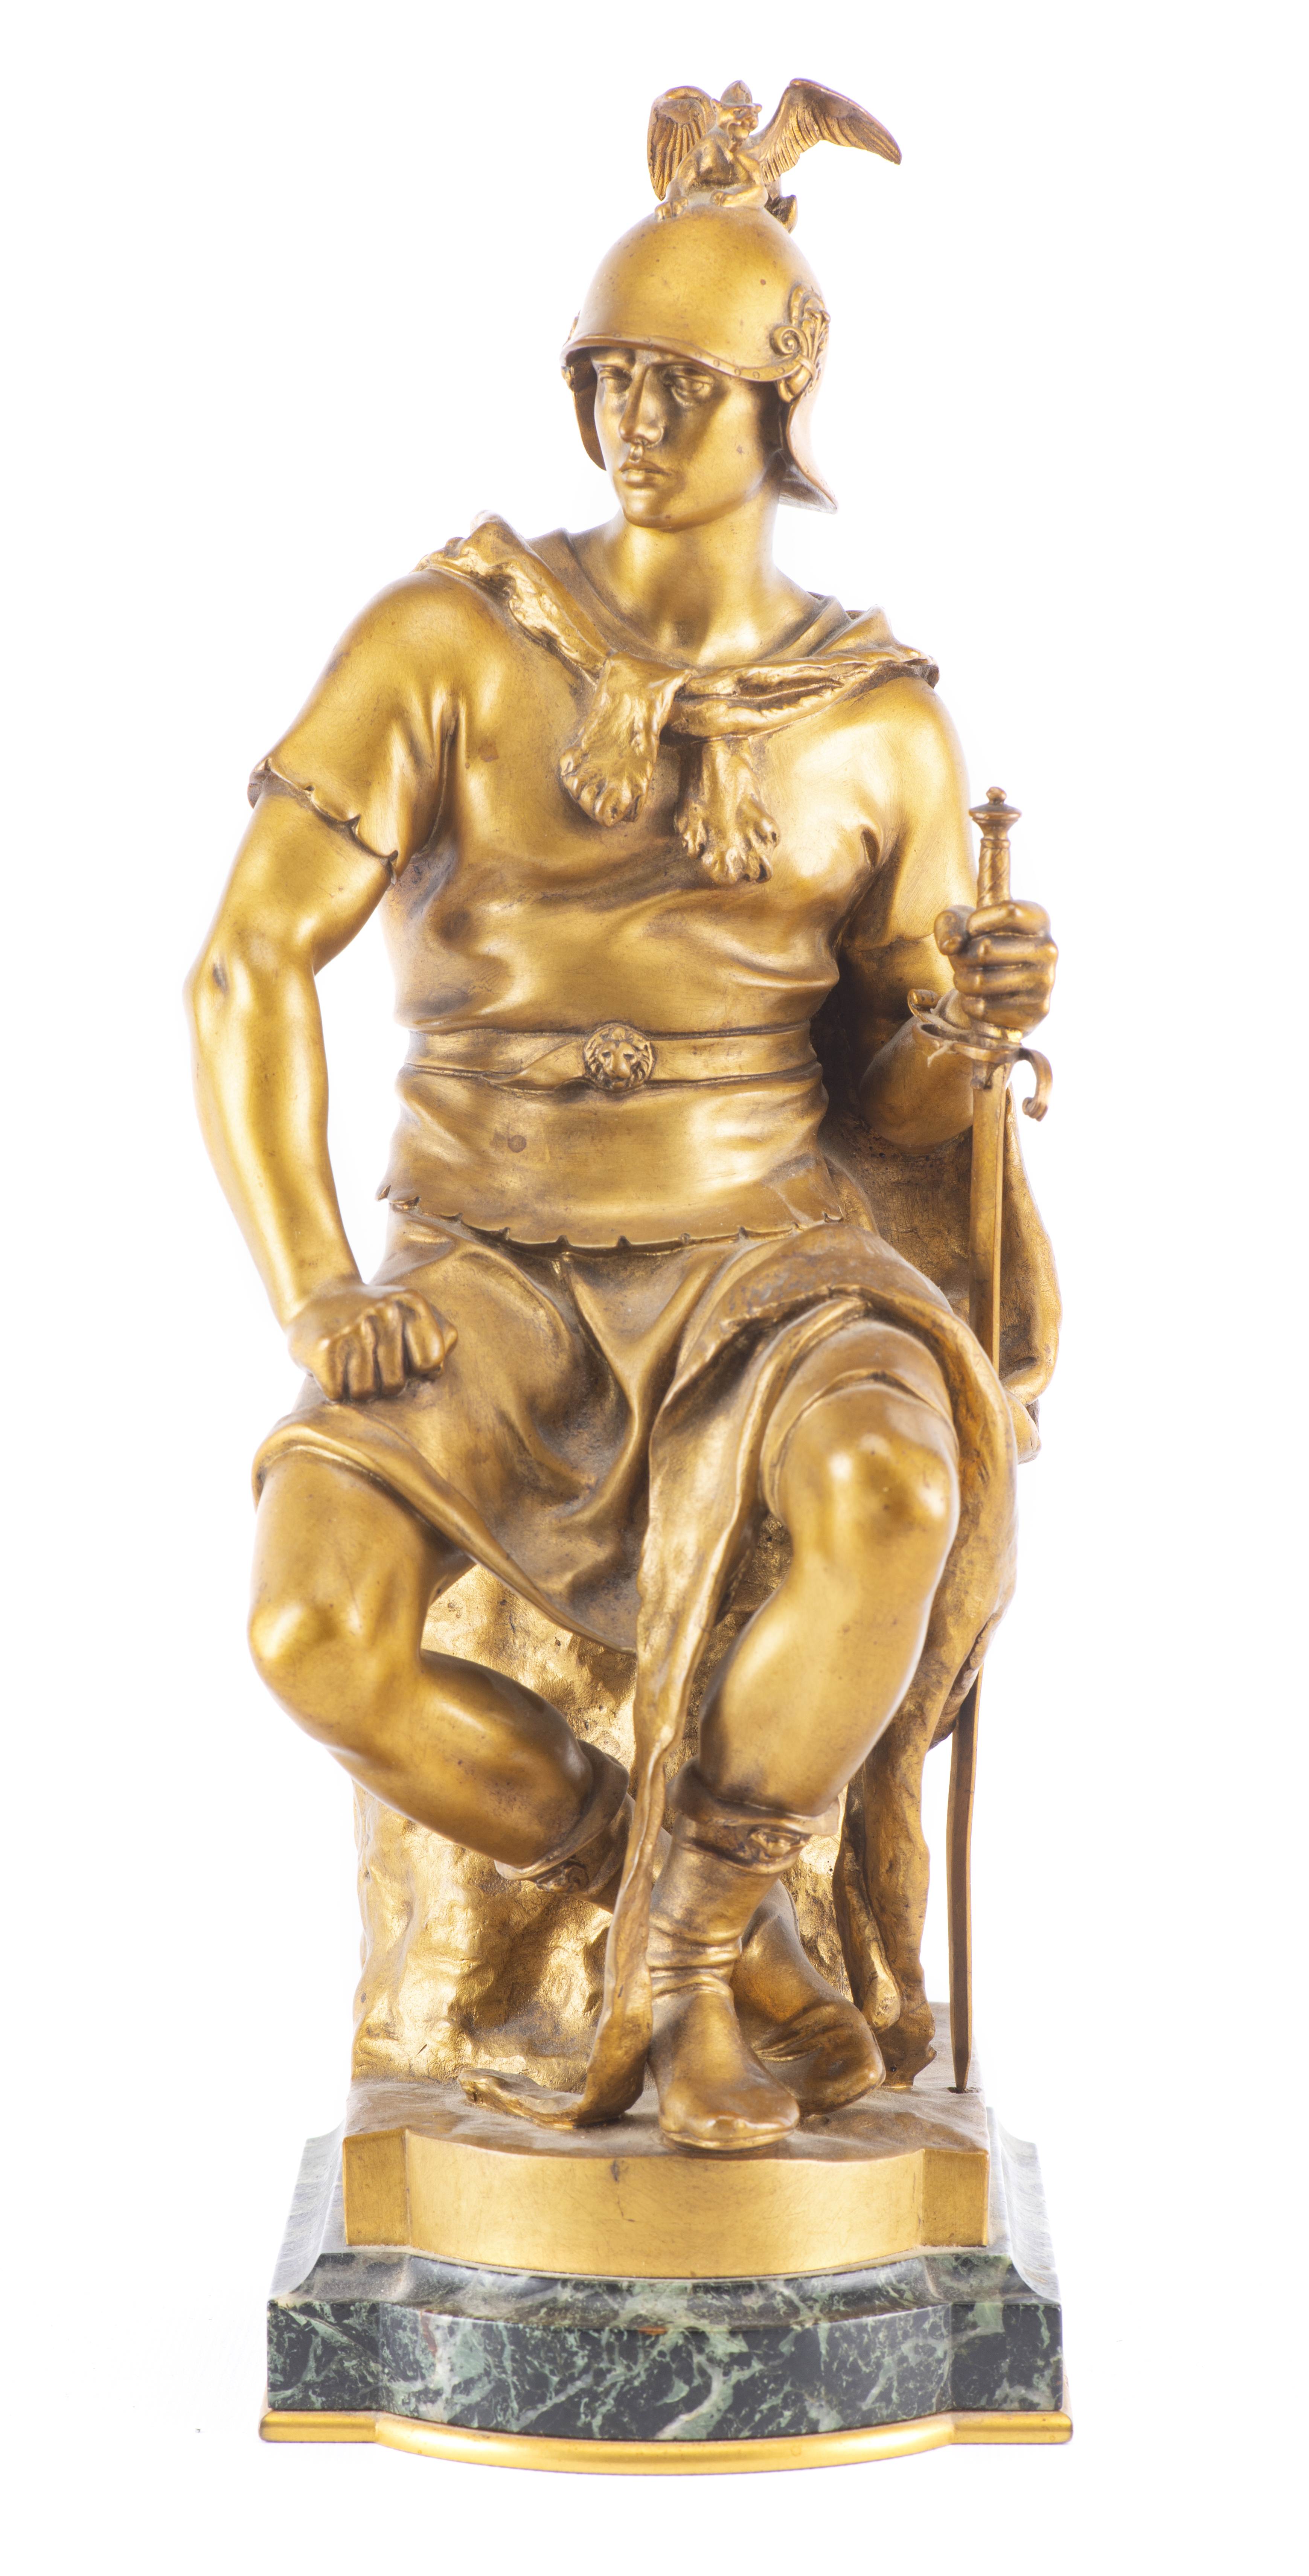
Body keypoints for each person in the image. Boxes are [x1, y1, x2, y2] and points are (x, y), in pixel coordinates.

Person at [187, 194, 1056, 2153]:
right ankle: (698, 1924)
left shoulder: (884, 729)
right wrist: (320, 1286)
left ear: (782, 402)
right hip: (482, 1263)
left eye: (681, 383)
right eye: (607, 378)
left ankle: (687, 1960)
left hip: (766, 1261)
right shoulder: (445, 643)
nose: (633, 421)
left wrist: (967, 1026)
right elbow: (244, 963)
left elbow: (901, 1104)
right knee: (308, 1631)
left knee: (895, 1487)